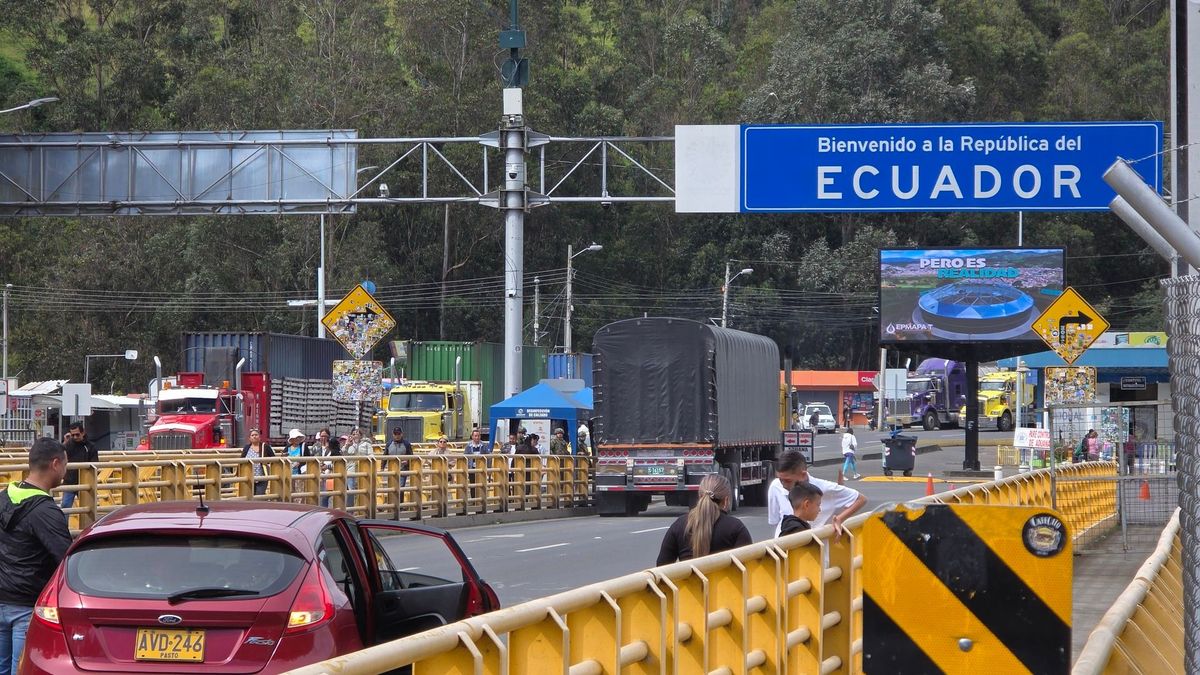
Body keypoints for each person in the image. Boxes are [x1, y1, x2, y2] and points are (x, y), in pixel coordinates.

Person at [0, 438, 72, 675]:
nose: (65, 471)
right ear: (55, 464)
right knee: (21, 669)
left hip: (1, 597)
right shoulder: (46, 511)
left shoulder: (3, 497)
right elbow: (65, 559)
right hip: (26, 605)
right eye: (65, 464)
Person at [656, 473, 751, 565]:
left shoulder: (679, 525)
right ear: (726, 501)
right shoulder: (736, 527)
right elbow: (749, 565)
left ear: (700, 496)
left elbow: (662, 566)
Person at [769, 450, 866, 537]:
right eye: (780, 479)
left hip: (816, 547)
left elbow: (861, 499)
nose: (783, 485)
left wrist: (840, 519)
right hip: (784, 546)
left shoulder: (825, 488)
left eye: (788, 481)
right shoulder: (775, 486)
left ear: (803, 475)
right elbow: (775, 521)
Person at [60, 422, 98, 510]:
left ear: (83, 433)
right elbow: (59, 455)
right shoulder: (68, 445)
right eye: (73, 435)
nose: (75, 437)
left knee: (88, 507)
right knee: (65, 506)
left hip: (86, 481)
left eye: (77, 434)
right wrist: (64, 443)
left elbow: (95, 463)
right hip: (70, 481)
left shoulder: (90, 446)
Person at [342, 428, 373, 508]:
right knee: (351, 490)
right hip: (351, 470)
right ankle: (351, 509)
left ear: (361, 435)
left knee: (363, 489)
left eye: (357, 433)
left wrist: (364, 458)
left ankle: (362, 508)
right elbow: (343, 455)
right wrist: (347, 445)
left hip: (363, 470)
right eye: (353, 434)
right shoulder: (349, 444)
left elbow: (371, 455)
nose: (355, 435)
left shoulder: (366, 444)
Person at [240, 428, 276, 496]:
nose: (254, 436)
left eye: (256, 435)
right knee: (250, 496)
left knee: (260, 495)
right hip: (249, 477)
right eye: (252, 435)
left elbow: (273, 458)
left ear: (259, 437)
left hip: (262, 476)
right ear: (249, 438)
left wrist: (266, 463)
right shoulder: (246, 448)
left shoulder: (265, 446)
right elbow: (241, 460)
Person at [312, 428, 341, 508]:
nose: (323, 438)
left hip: (330, 476)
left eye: (325, 436)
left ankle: (325, 511)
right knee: (318, 496)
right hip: (318, 475)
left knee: (326, 495)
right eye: (322, 436)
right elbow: (311, 459)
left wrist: (327, 466)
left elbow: (338, 463)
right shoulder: (316, 447)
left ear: (328, 436)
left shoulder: (333, 448)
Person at [385, 427, 414, 493]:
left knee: (401, 488)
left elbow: (411, 456)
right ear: (393, 434)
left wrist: (407, 462)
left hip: (403, 469)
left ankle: (400, 499)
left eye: (398, 434)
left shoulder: (406, 444)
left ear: (401, 434)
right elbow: (385, 456)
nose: (397, 436)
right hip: (391, 470)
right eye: (395, 434)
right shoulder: (389, 444)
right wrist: (382, 468)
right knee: (392, 488)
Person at [464, 429, 490, 501]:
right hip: (472, 468)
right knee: (472, 484)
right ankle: (473, 499)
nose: (477, 437)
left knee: (482, 484)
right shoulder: (468, 446)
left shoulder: (484, 445)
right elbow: (465, 457)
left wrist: (488, 467)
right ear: (472, 436)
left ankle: (481, 499)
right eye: (475, 436)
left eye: (478, 436)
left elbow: (488, 456)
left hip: (482, 468)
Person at [284, 429, 309, 502]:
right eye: (296, 437)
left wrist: (300, 463)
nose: (298, 439)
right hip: (289, 473)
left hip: (299, 473)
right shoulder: (287, 448)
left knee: (299, 492)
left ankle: (299, 505)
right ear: (292, 439)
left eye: (299, 437)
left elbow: (308, 458)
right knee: (290, 491)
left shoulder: (303, 447)